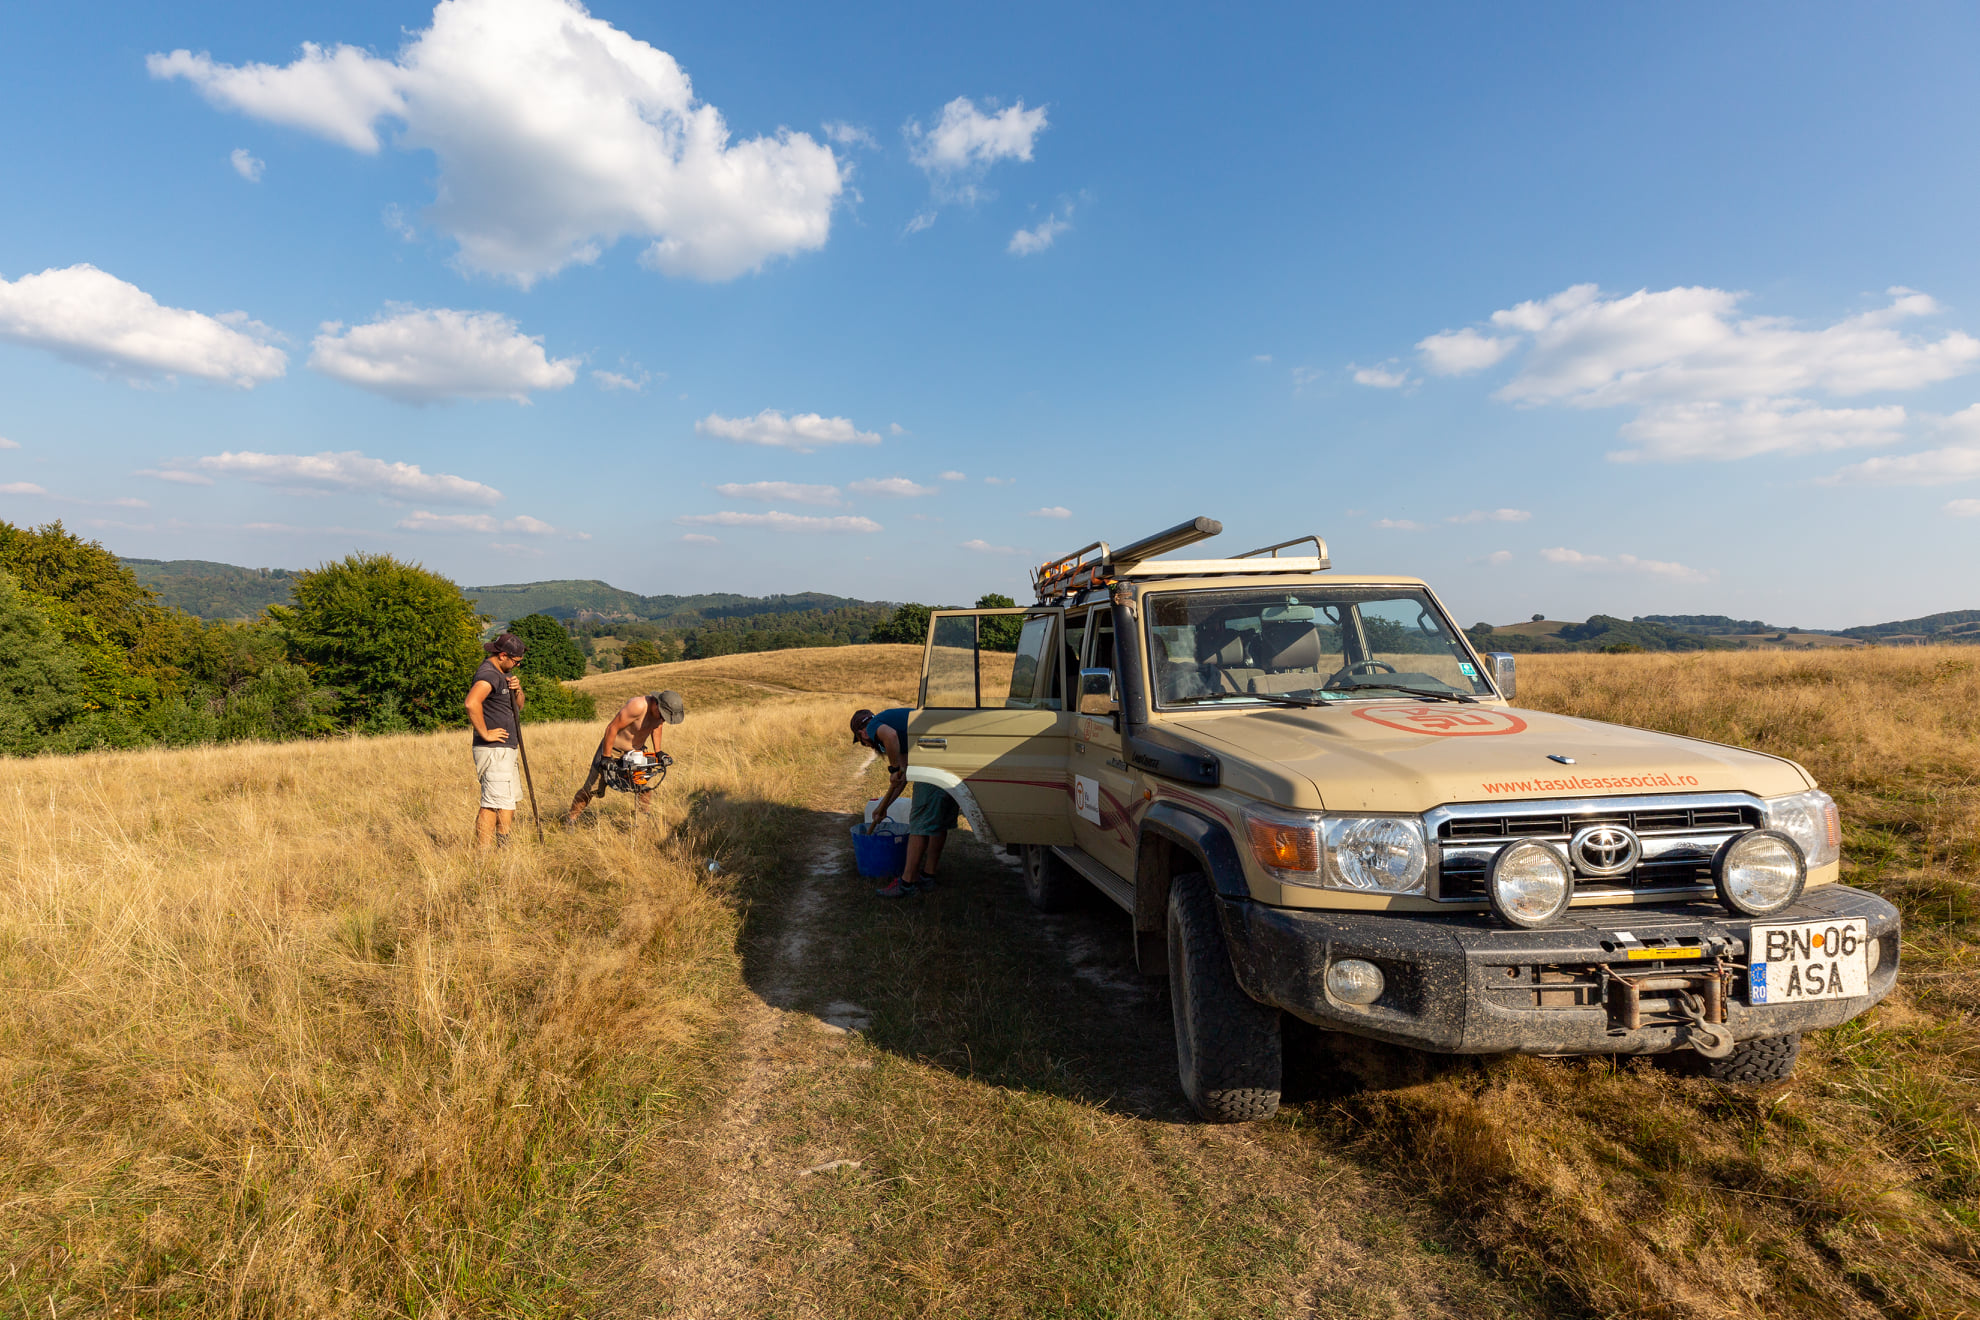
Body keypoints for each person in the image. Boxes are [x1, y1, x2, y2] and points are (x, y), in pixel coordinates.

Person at [852, 706, 958, 899]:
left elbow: (890, 737)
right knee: (939, 821)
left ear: (863, 733)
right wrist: (883, 807)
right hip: (951, 759)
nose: (867, 745)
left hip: (931, 763)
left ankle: (907, 883)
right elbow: (903, 776)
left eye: (862, 742)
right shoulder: (899, 728)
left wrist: (893, 769)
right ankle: (928, 876)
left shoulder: (876, 725)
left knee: (919, 824)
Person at [567, 690, 686, 824]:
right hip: (612, 750)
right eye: (663, 715)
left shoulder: (659, 716)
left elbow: (657, 727)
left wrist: (658, 752)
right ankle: (571, 820)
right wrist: (606, 757)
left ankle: (643, 820)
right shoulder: (638, 706)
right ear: (657, 704)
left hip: (636, 753)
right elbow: (612, 728)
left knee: (645, 787)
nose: (663, 719)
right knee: (592, 788)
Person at [466, 634, 527, 850]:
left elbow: (518, 707)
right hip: (494, 750)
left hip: (505, 749)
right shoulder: (488, 675)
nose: (517, 665)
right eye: (516, 661)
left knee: (507, 800)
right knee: (492, 803)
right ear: (502, 655)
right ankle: (483, 856)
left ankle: (503, 847)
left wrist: (517, 690)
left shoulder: (503, 674)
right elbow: (471, 703)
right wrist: (485, 733)